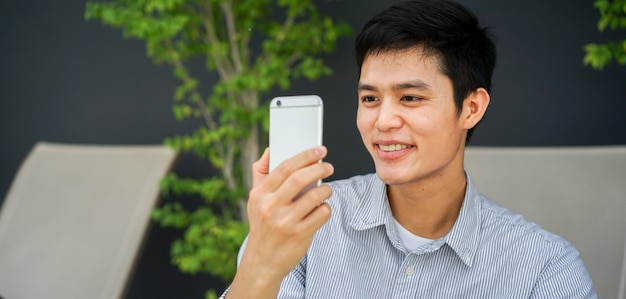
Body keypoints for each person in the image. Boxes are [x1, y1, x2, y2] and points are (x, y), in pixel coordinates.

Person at [221, 0, 596, 298]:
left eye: (411, 97)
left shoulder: (544, 268)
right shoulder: (308, 224)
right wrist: (260, 261)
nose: (383, 121)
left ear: (471, 108)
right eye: (369, 98)